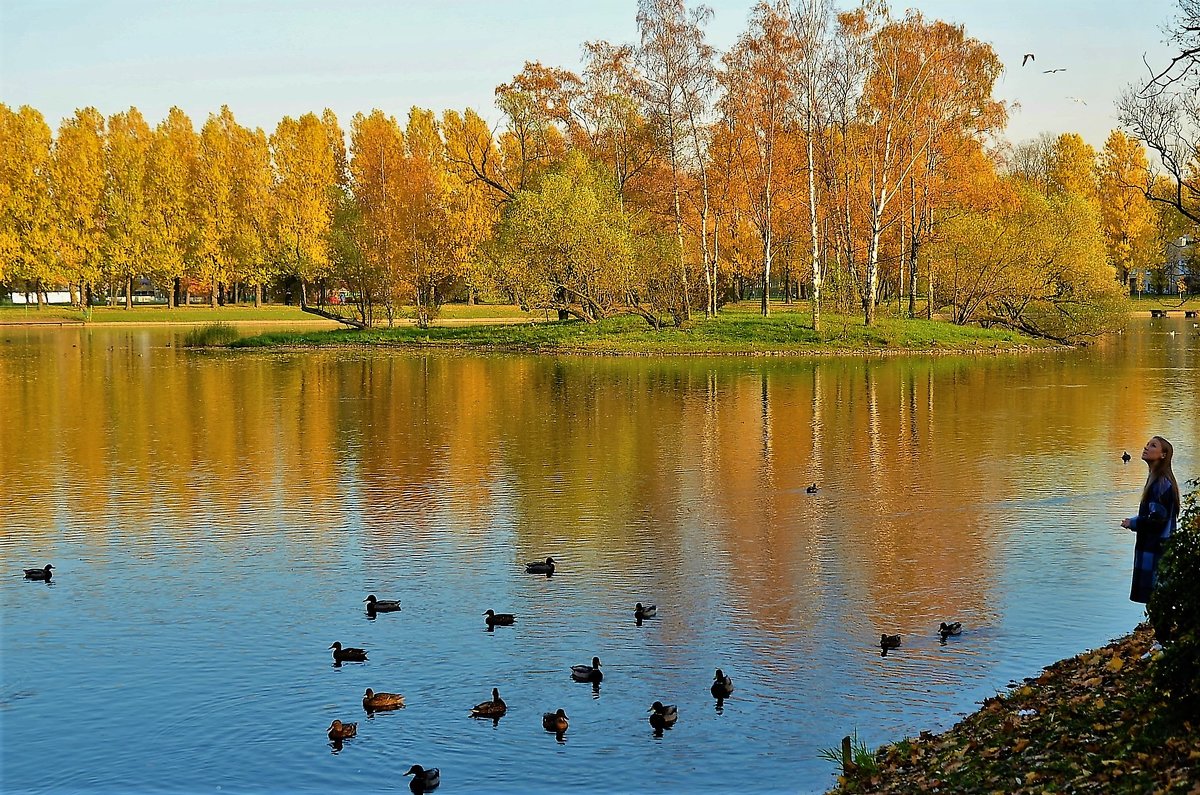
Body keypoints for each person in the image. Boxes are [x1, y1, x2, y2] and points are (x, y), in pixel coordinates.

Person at [1121, 436, 1182, 604]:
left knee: (1158, 598)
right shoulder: (1156, 480)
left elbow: (1157, 520)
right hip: (1154, 548)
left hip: (1156, 549)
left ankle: (1164, 628)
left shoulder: (1161, 484)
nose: (1146, 447)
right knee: (1157, 600)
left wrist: (1133, 523)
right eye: (1148, 444)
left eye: (1153, 445)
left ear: (1163, 455)